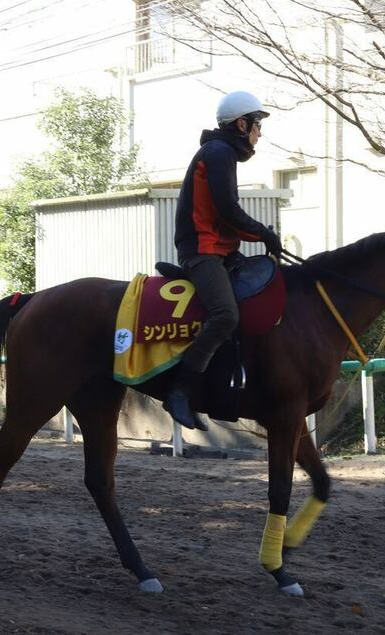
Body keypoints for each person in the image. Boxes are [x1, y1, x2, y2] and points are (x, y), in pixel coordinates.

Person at [164, 91, 283, 431]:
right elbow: (228, 211)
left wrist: (261, 235)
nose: (260, 133)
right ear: (241, 124)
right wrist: (263, 233)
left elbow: (226, 217)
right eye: (257, 125)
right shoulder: (218, 153)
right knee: (226, 315)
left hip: (219, 249)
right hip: (202, 251)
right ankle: (180, 392)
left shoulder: (221, 152)